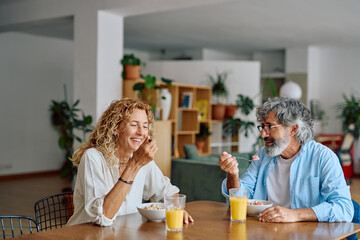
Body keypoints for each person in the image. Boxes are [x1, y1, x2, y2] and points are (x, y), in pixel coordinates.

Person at [219, 97, 354, 223]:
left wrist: (295, 214)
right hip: (265, 229)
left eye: (270, 127)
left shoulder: (323, 157)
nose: (263, 134)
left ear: (293, 129)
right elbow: (241, 197)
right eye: (262, 127)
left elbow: (344, 208)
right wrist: (233, 174)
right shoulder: (263, 155)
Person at [67, 98, 193, 226]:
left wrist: (176, 208)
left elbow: (168, 193)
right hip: (86, 235)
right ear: (115, 128)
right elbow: (102, 217)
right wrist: (135, 164)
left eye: (145, 126)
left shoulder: (142, 160)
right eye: (134, 124)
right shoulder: (93, 158)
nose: (141, 132)